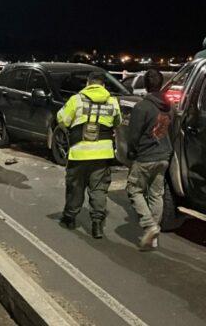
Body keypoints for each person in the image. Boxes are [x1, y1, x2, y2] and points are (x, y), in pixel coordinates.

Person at [56, 71, 122, 239]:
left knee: (75, 187)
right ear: (104, 85)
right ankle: (97, 225)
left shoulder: (76, 100)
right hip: (102, 154)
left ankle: (69, 218)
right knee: (99, 188)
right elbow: (118, 122)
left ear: (87, 83)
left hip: (79, 153)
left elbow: (62, 119)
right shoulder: (113, 102)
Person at [125, 69, 173, 250]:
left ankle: (149, 225)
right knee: (156, 194)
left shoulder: (142, 107)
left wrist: (131, 153)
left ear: (145, 85)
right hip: (164, 156)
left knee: (134, 190)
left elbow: (134, 135)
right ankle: (153, 237)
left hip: (146, 157)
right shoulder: (169, 106)